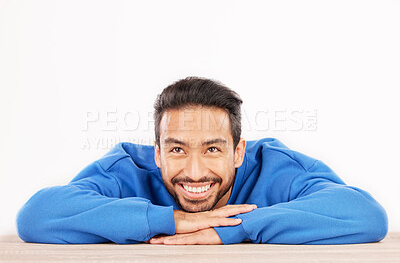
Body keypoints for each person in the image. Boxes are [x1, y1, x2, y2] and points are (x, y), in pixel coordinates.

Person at [16, 77, 388, 245]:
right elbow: (37, 216)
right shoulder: (127, 167)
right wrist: (174, 221)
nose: (194, 172)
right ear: (157, 152)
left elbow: (365, 215)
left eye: (212, 149)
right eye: (177, 150)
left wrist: (234, 228)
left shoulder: (277, 166)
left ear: (238, 151)